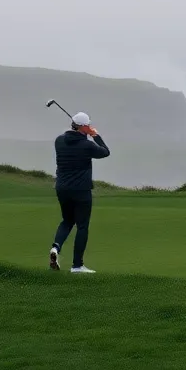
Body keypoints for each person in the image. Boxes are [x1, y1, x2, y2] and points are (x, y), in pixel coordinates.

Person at [49, 111, 110, 273]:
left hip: (62, 188)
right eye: (88, 125)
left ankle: (56, 248)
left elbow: (73, 140)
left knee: (67, 221)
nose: (89, 127)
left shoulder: (59, 141)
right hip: (81, 190)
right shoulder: (87, 145)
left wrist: (85, 134)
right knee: (82, 226)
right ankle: (77, 265)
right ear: (83, 127)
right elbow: (105, 152)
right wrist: (95, 135)